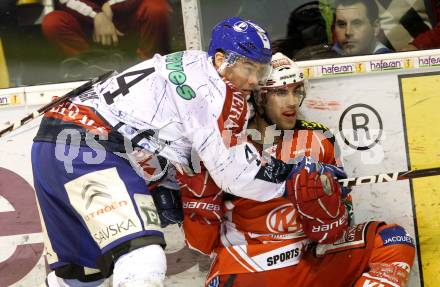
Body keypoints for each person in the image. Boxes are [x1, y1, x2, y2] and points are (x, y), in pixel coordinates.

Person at [31, 17, 310, 287]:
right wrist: (293, 178)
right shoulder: (217, 94)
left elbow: (159, 132)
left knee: (81, 274)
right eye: (248, 68)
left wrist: (164, 180)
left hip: (51, 145)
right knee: (143, 258)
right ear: (222, 60)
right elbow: (235, 175)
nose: (252, 81)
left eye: (260, 71)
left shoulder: (192, 60)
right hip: (88, 147)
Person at [179, 53, 415, 287]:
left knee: (392, 240)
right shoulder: (223, 143)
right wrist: (197, 199)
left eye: (297, 90)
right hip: (247, 266)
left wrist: (327, 216)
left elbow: (340, 227)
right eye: (280, 92)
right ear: (259, 98)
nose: (292, 101)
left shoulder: (318, 139)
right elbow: (201, 244)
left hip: (308, 260)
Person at [41, 0, 172, 79]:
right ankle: (87, 67)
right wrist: (97, 15)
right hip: (90, 23)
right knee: (53, 22)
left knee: (156, 7)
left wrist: (110, 7)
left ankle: (149, 67)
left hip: (128, 16)